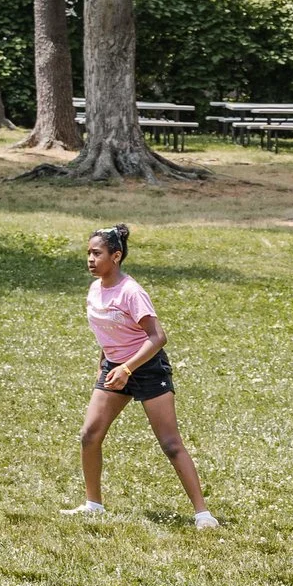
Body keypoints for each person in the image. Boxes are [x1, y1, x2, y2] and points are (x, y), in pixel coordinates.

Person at [64, 225, 217, 528]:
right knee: (89, 435)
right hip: (114, 368)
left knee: (170, 443)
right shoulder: (95, 289)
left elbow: (158, 336)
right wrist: (105, 366)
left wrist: (127, 368)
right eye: (88, 253)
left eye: (97, 253)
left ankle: (203, 514)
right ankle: (93, 504)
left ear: (116, 256)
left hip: (146, 368)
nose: (90, 259)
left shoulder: (131, 292)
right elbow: (107, 334)